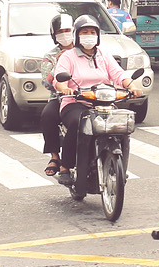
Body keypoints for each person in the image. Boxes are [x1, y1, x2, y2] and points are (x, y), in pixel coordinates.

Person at [52, 14, 132, 178]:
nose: (89, 35)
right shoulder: (69, 56)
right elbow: (58, 78)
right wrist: (65, 88)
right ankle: (65, 166)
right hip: (75, 102)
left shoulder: (103, 54)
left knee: (122, 126)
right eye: (84, 32)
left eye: (92, 32)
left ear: (98, 35)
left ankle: (121, 167)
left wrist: (131, 85)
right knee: (77, 123)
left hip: (103, 102)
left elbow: (118, 74)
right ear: (77, 35)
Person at [38, 15, 76, 178]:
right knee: (47, 115)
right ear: (54, 35)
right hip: (59, 97)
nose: (65, 35)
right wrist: (58, 66)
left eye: (68, 31)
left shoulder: (83, 50)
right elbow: (46, 84)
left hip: (85, 96)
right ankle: (55, 156)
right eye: (61, 32)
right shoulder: (50, 56)